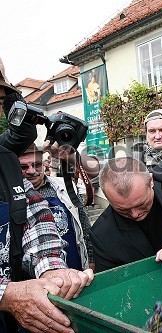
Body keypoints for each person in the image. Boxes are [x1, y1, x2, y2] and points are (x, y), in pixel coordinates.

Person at [0, 57, 94, 333]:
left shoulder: (5, 163)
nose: (29, 171)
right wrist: (7, 293)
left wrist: (52, 269)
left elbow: (35, 217)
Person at [90, 157, 162, 273]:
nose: (135, 214)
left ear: (151, 181)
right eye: (123, 210)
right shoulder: (102, 235)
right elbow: (112, 285)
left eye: (141, 204)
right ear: (108, 199)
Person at [18, 143, 94, 271]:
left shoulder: (64, 186)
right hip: (39, 276)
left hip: (77, 269)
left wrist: (91, 259)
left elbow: (84, 224)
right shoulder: (11, 197)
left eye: (36, 164)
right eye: (24, 167)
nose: (31, 171)